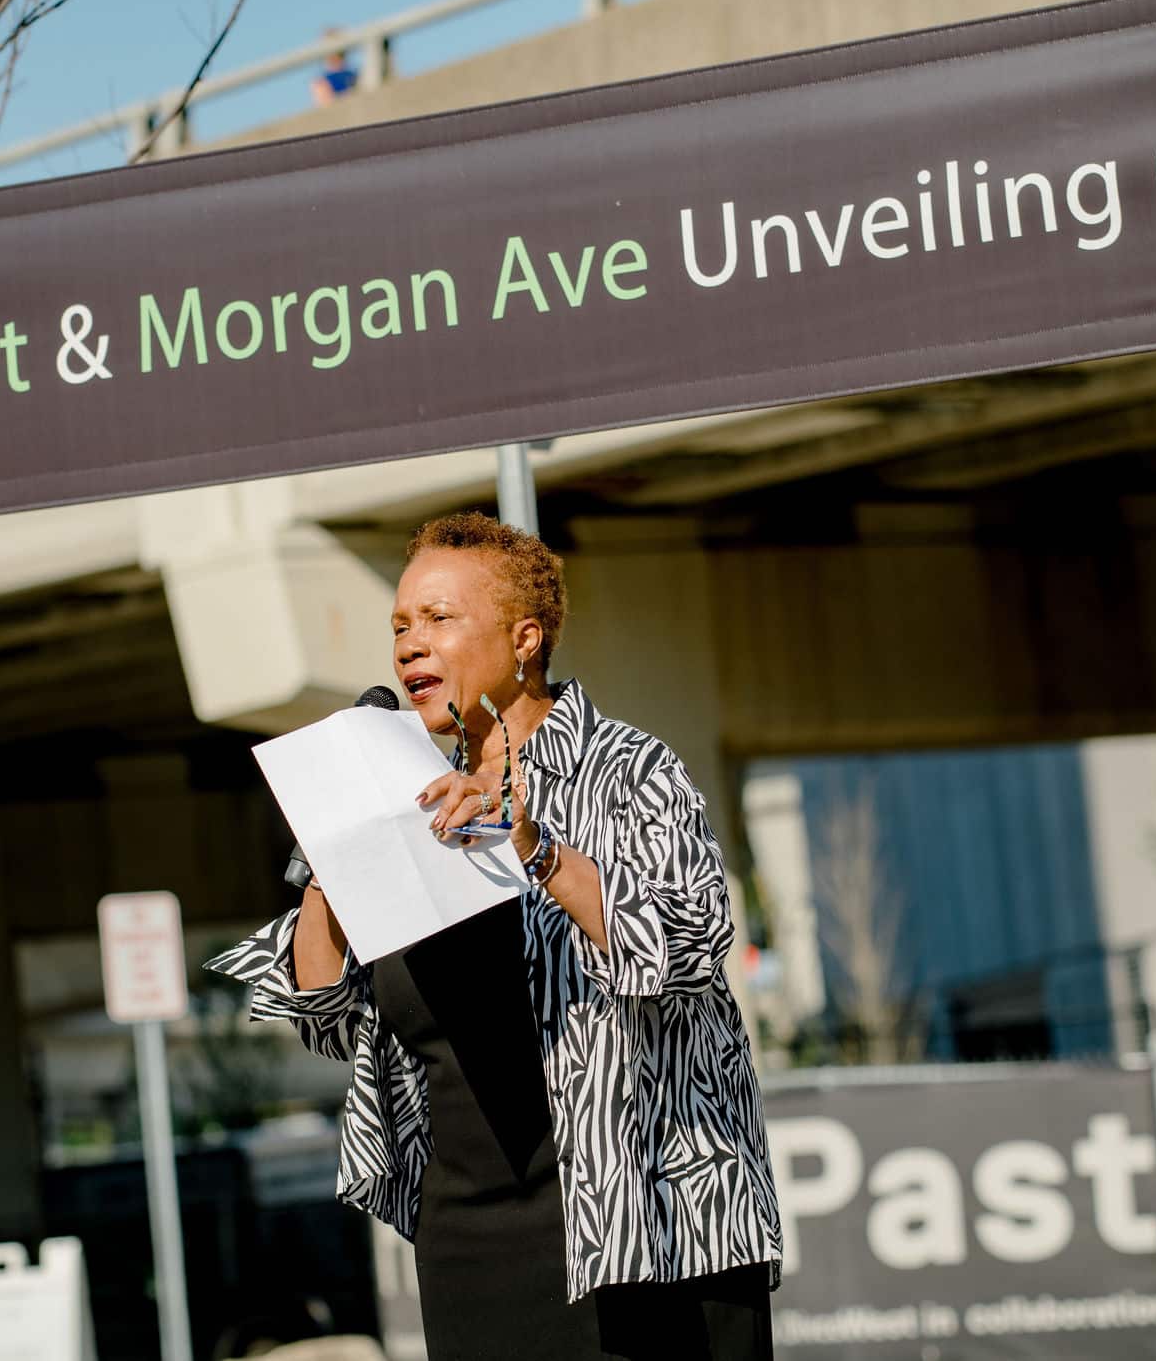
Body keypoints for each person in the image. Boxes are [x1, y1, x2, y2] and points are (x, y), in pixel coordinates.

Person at [208, 512, 782, 1361]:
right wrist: (332, 855)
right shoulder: (411, 800)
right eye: (400, 625)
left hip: (647, 1228)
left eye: (439, 619)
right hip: (471, 1244)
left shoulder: (628, 769)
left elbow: (689, 945)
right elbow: (327, 1017)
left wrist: (534, 844)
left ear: (523, 638)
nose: (410, 645)